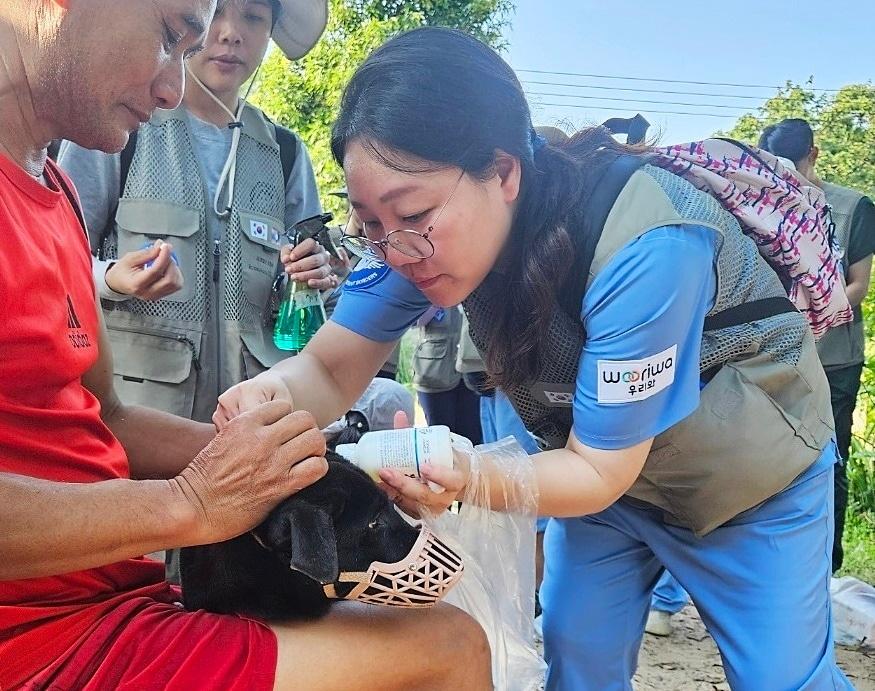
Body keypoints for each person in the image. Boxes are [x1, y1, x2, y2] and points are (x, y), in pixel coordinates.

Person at [217, 27, 853, 690]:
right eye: (369, 224)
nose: (395, 250)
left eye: (410, 214)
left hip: (747, 482)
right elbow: (327, 367)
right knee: (575, 651)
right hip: (615, 488)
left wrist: (467, 475)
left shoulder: (646, 247)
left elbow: (596, 468)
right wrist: (271, 397)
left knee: (783, 678)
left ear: (503, 171)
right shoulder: (411, 239)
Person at [0, 3, 492, 689]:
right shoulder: (105, 153)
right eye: (171, 37)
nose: (174, 86)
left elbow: (106, 419)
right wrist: (190, 504)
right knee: (450, 648)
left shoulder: (56, 192)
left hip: (114, 591)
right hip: (39, 634)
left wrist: (306, 465)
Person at [58, 0, 336, 426]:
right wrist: (112, 279)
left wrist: (311, 273)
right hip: (135, 428)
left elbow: (313, 291)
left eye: (254, 17)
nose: (230, 33)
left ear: (270, 35)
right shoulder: (120, 125)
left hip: (249, 426)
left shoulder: (286, 153)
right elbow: (56, 262)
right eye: (216, 13)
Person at [759, 117, 875, 573]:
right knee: (771, 458)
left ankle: (825, 566)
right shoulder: (761, 201)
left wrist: (808, 321)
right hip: (777, 358)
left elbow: (858, 284)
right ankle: (776, 563)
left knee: (831, 460)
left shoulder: (853, 207)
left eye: (793, 165)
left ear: (815, 154)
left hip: (834, 360)